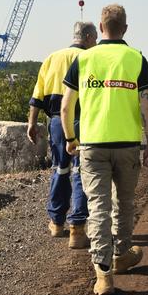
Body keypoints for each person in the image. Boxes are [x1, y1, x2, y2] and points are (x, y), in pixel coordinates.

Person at [60, 4, 148, 295]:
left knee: (98, 208)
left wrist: (70, 139)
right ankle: (122, 255)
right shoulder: (136, 58)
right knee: (124, 203)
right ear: (125, 29)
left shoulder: (84, 59)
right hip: (127, 145)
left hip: (92, 144)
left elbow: (66, 106)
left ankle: (103, 274)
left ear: (101, 28)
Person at [27, 21, 97, 249]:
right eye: (94, 37)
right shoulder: (90, 57)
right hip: (83, 121)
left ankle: (56, 223)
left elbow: (38, 95)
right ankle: (77, 228)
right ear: (87, 37)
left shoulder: (52, 58)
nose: (95, 41)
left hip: (57, 121)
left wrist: (32, 122)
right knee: (80, 171)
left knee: (60, 169)